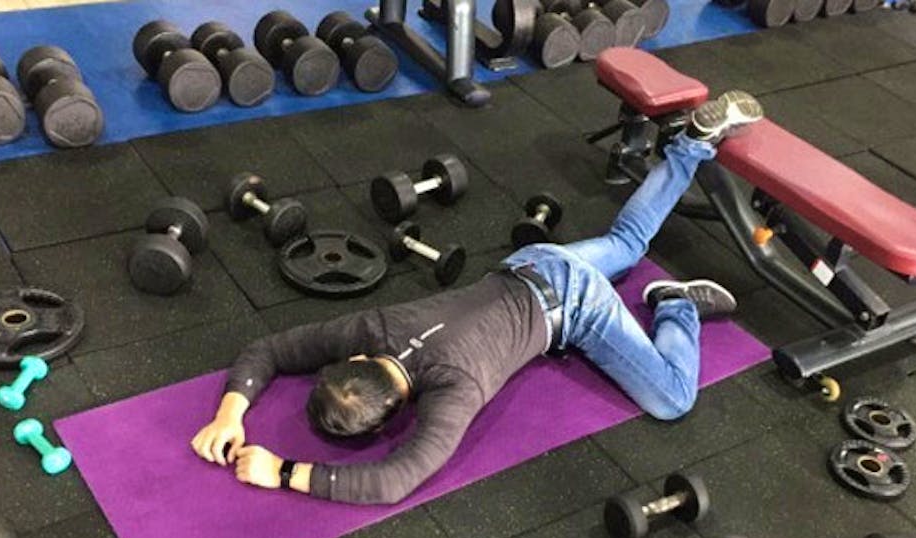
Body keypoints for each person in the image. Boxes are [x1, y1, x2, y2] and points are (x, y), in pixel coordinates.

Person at [191, 91, 764, 505]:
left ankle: (675, 305)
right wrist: (229, 414)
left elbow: (394, 480)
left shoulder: (452, 392)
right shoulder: (371, 327)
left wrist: (283, 472)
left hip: (574, 305)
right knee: (627, 243)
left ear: (396, 415)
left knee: (673, 399)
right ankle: (692, 144)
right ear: (358, 360)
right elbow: (269, 349)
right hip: (535, 261)